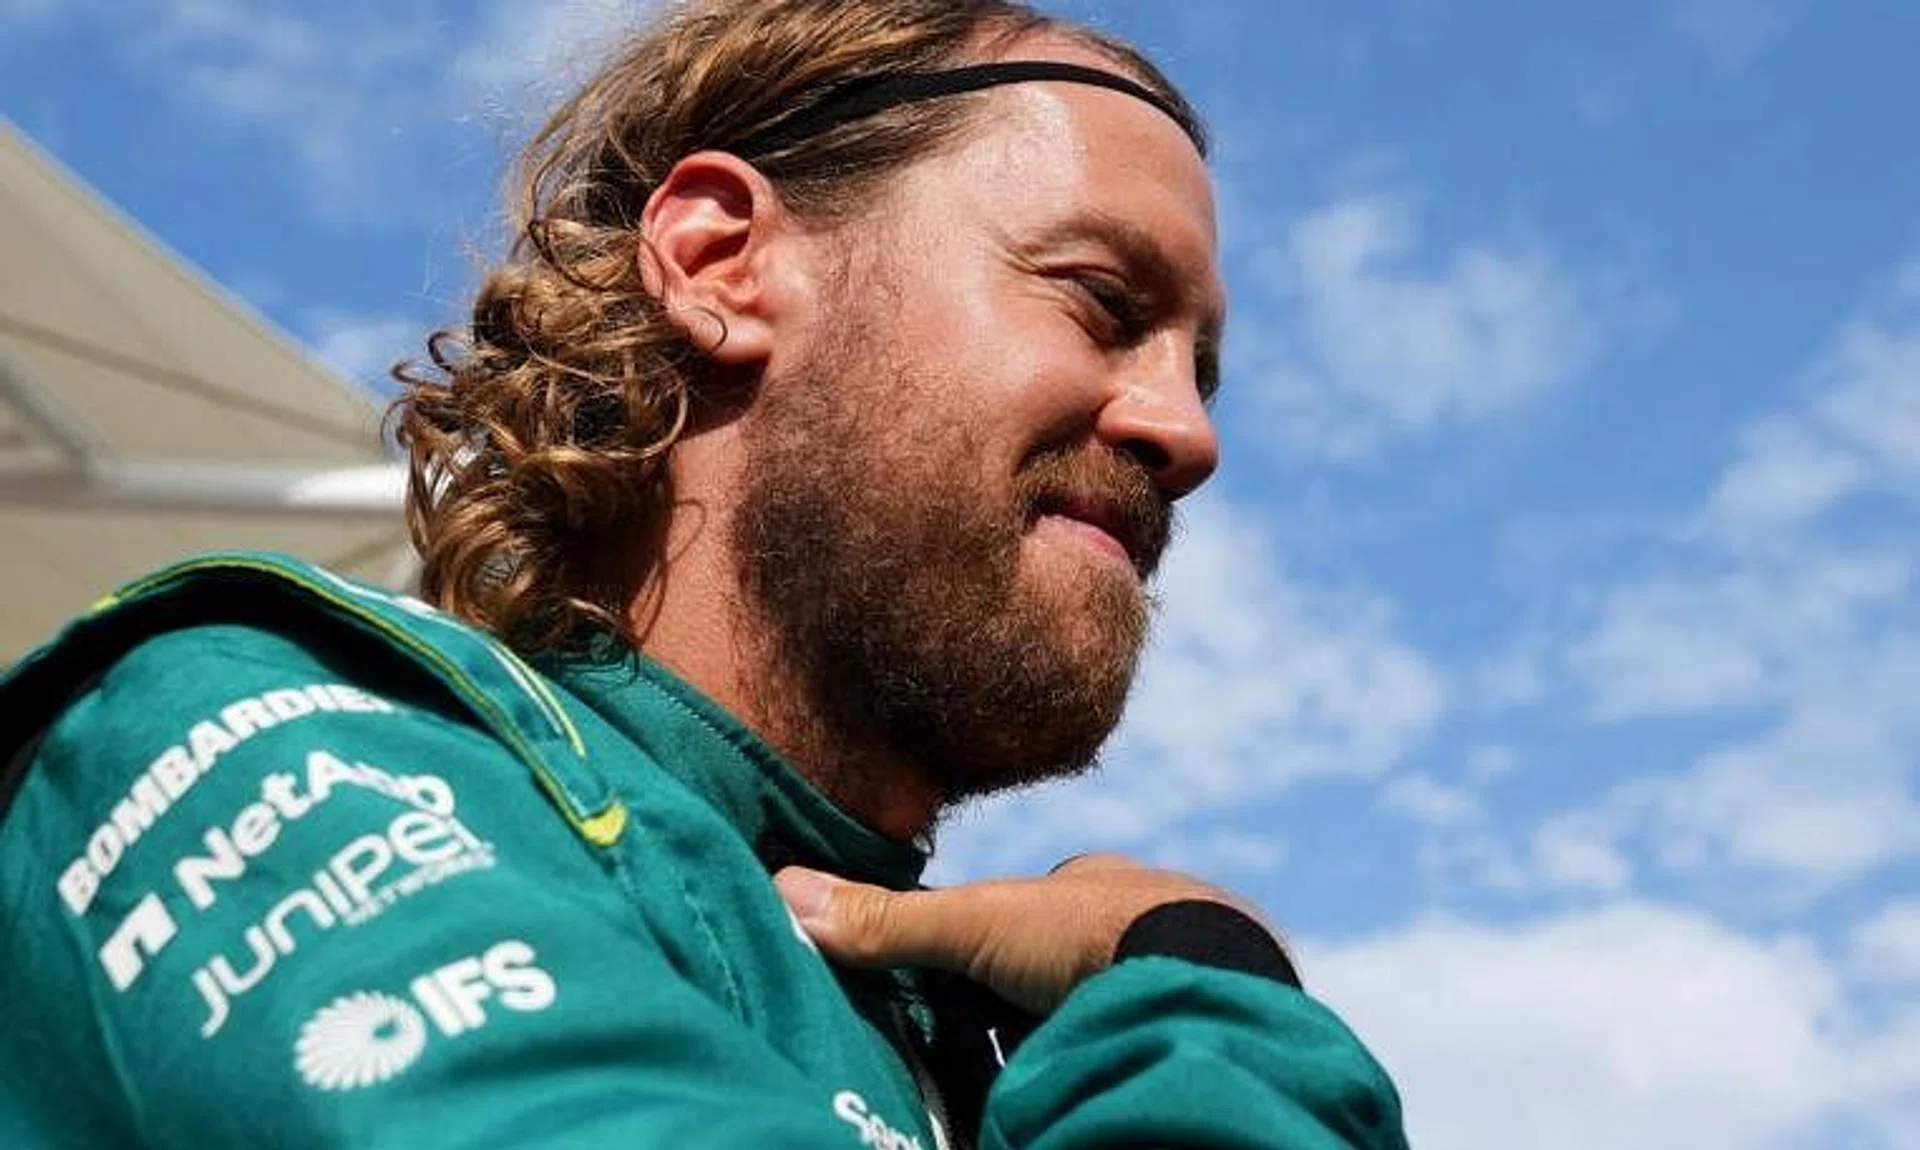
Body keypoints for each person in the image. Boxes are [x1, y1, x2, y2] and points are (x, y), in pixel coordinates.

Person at [0, 1, 1409, 1146]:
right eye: (1104, 301)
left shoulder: (995, 1044)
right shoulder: (259, 730)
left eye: (1204, 369)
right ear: (720, 259)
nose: (1190, 432)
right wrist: (1203, 990)